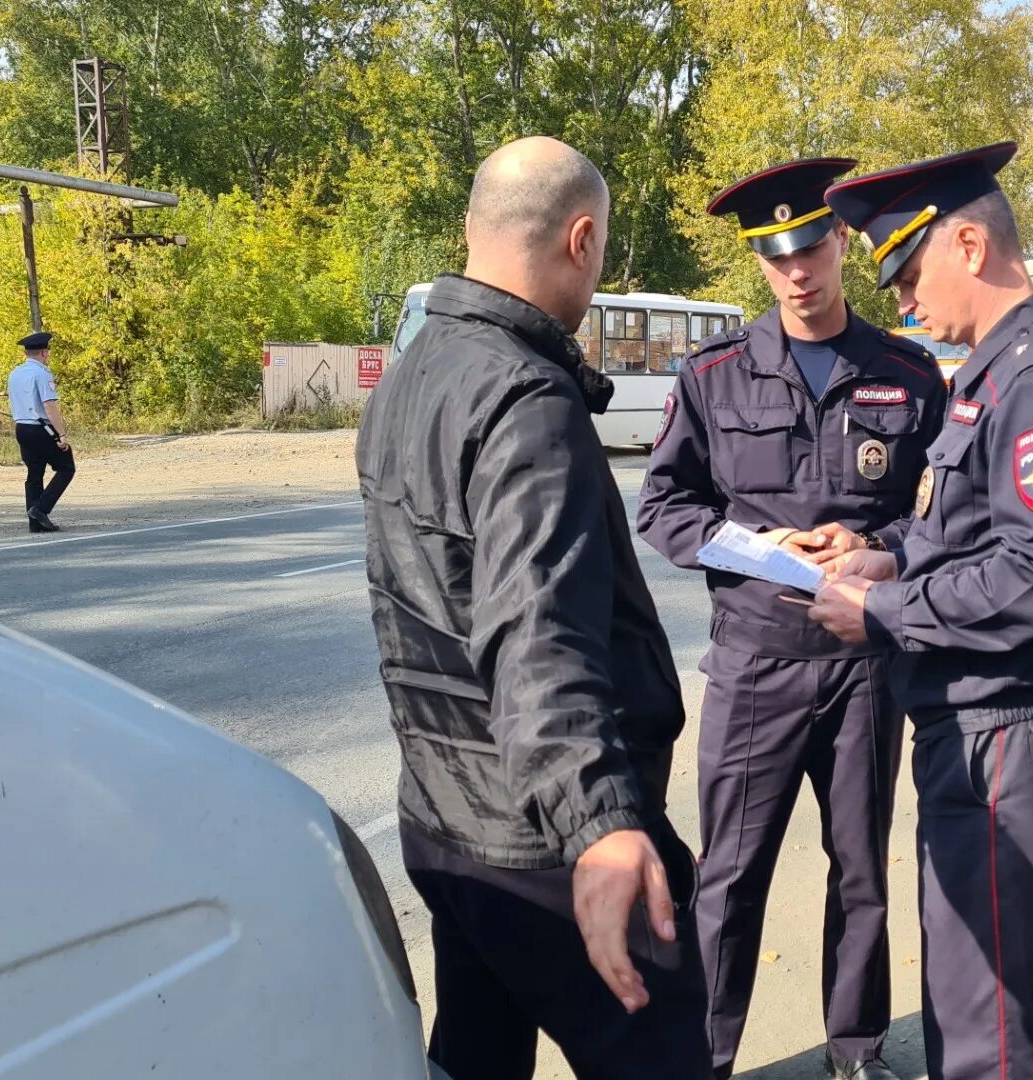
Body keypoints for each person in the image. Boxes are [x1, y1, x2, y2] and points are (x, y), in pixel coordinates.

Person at [355, 136, 707, 1080]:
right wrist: (601, 827)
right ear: (582, 239)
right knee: (664, 1042)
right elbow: (534, 633)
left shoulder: (407, 379)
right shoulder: (527, 399)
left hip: (442, 819)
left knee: (474, 1050)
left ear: (473, 231)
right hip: (540, 839)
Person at [812, 142, 1033, 1079]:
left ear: (969, 245)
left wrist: (884, 612)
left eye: (909, 273)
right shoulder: (998, 371)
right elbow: (972, 534)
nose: (904, 304)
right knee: (1007, 1012)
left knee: (986, 1038)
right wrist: (883, 554)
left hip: (1006, 731)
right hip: (984, 724)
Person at [638, 157, 946, 1080]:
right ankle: (706, 1057)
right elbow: (664, 507)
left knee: (861, 874)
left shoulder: (907, 373)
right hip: (755, 667)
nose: (797, 272)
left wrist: (877, 544)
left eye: (810, 247)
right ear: (760, 265)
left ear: (840, 242)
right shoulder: (716, 374)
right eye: (776, 259)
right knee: (727, 880)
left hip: (863, 669)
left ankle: (855, 1053)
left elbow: (943, 514)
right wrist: (763, 550)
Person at [7, 331, 74, 533]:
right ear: (44, 353)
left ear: (26, 353)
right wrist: (61, 434)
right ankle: (40, 509)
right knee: (66, 467)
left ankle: (35, 523)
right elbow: (49, 405)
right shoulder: (42, 374)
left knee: (34, 473)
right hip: (40, 427)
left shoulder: (15, 373)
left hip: (21, 427)